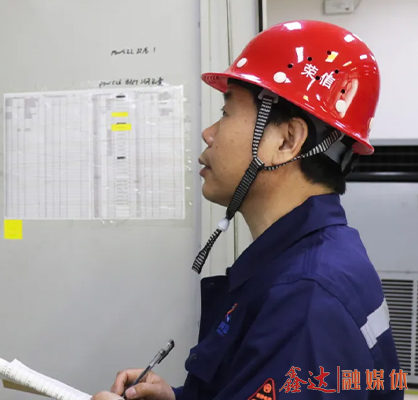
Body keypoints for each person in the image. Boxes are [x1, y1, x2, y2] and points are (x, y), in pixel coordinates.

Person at [91, 20, 403, 400]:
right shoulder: (307, 262)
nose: (209, 133)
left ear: (287, 141)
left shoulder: (305, 300)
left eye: (225, 113)